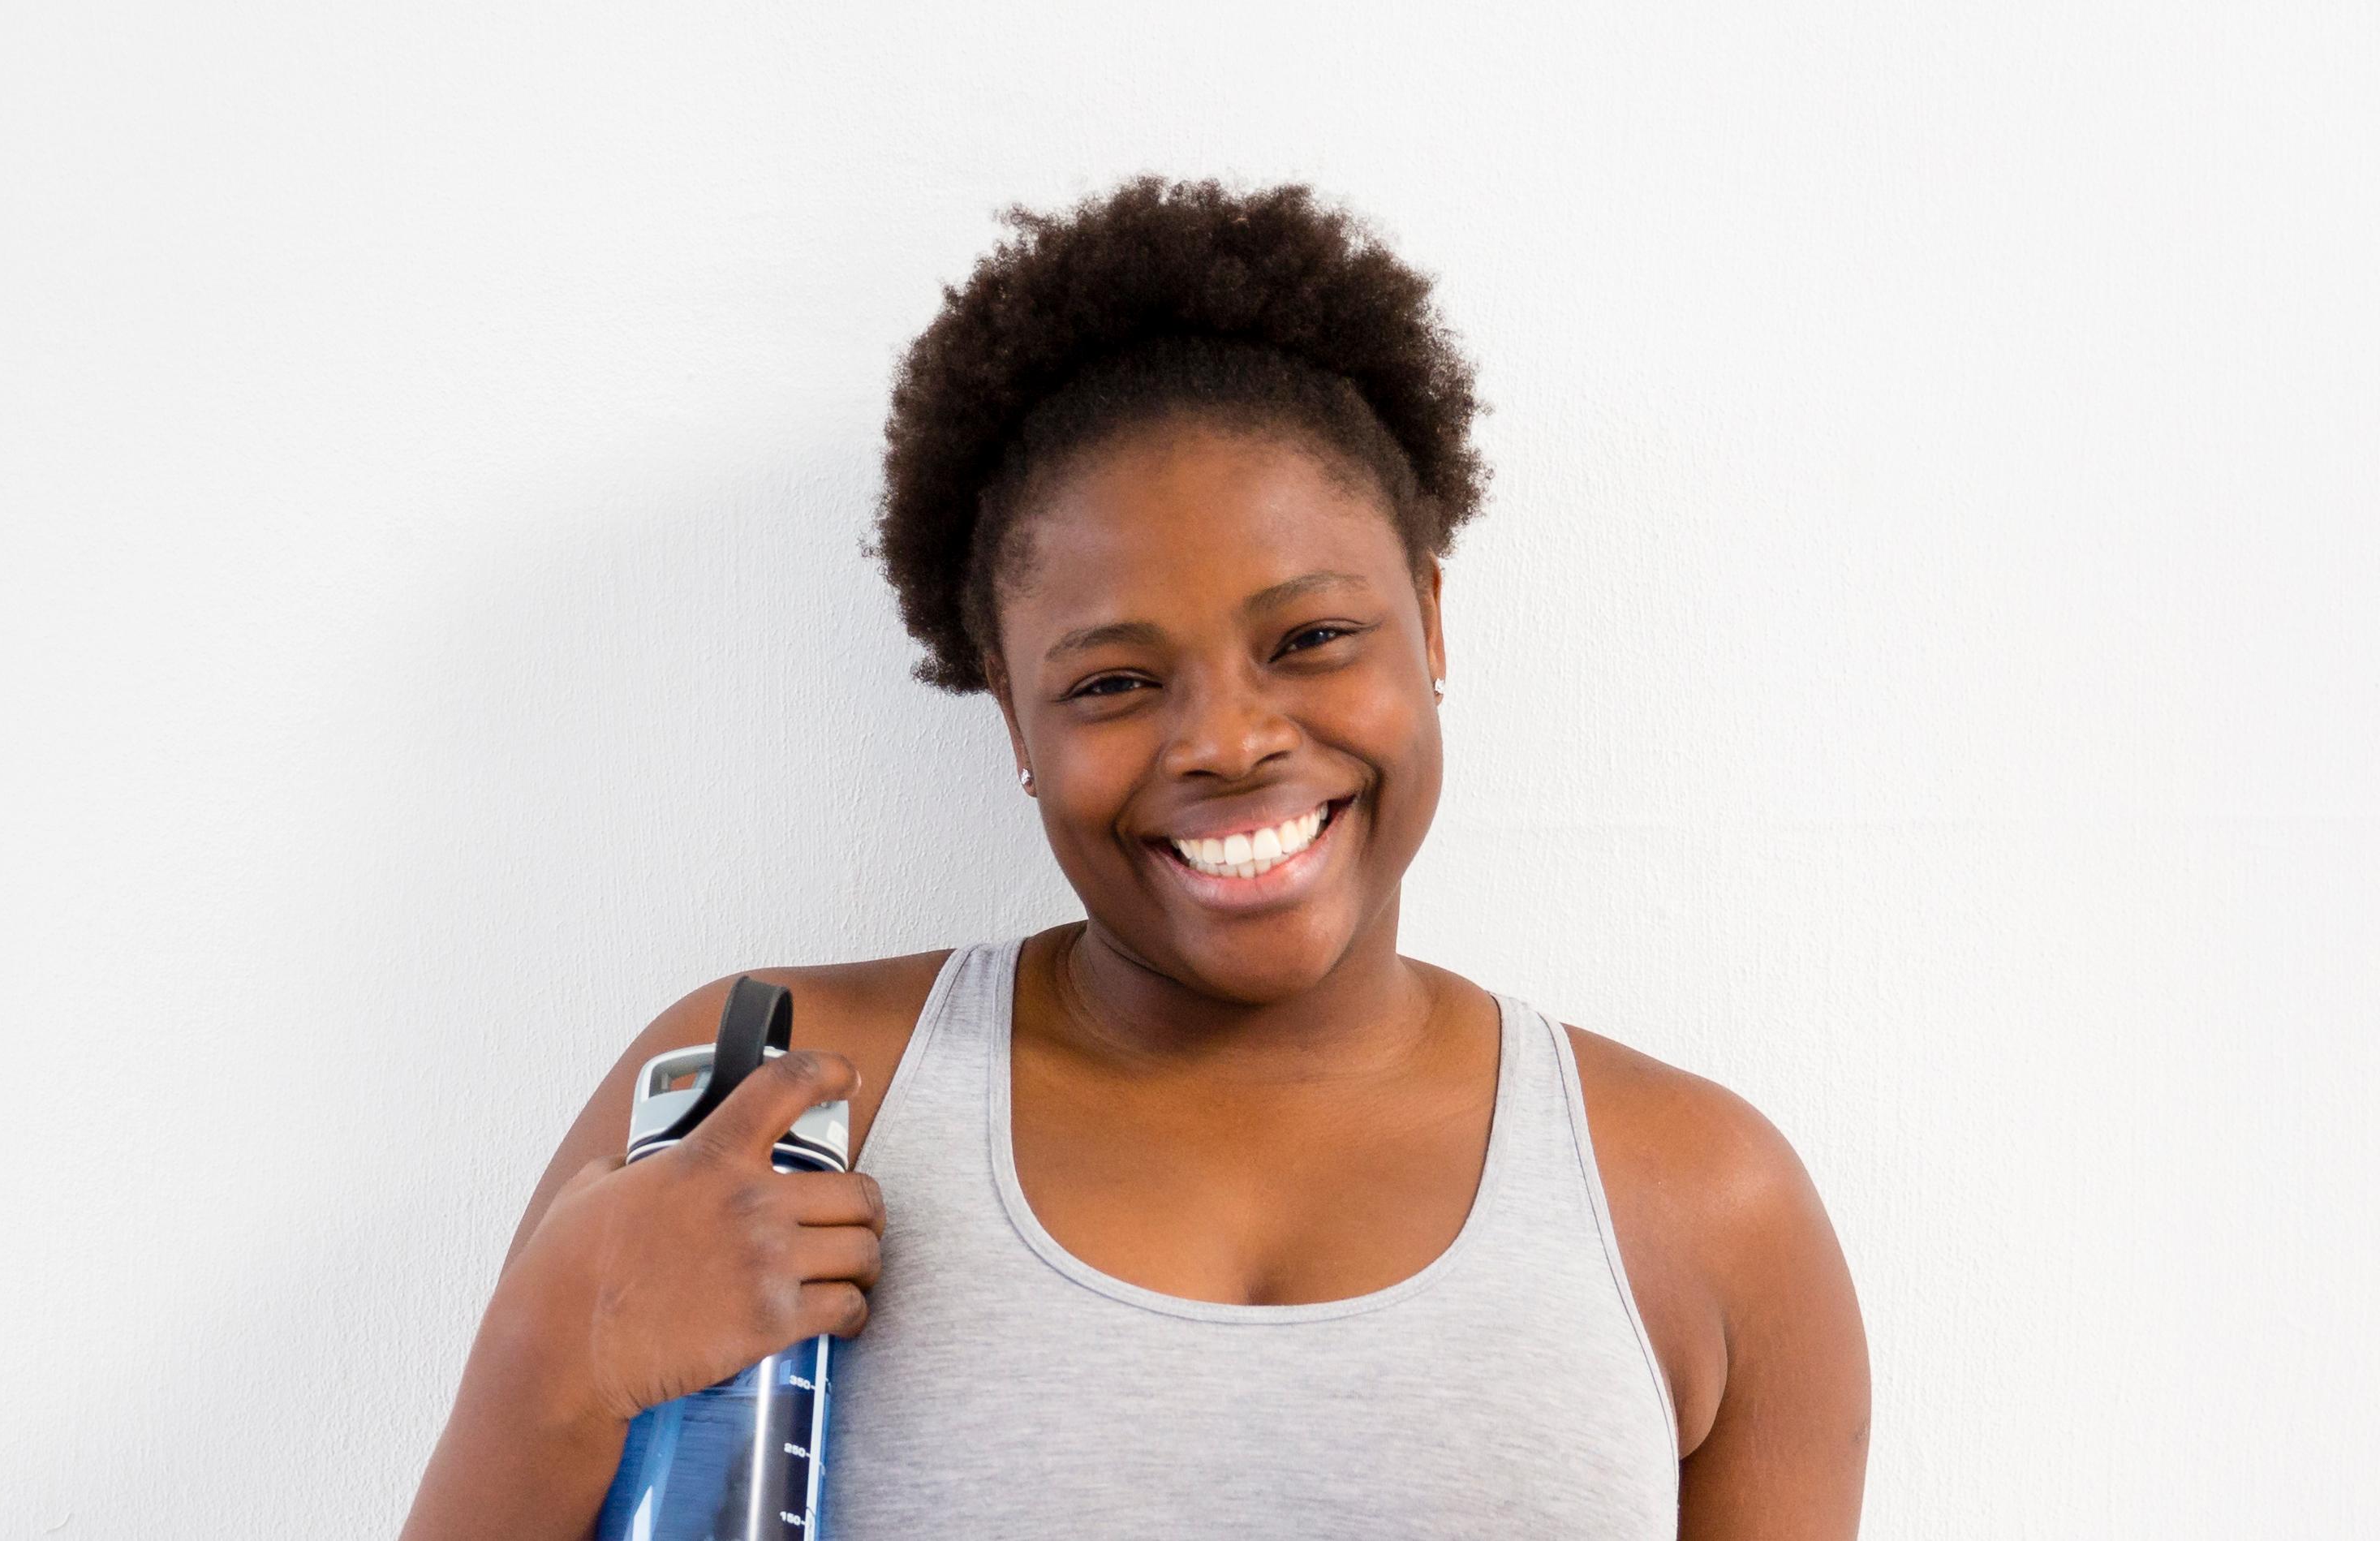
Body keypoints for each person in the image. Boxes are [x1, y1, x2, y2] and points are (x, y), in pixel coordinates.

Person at [401, 176, 1871, 1539]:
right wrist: (563, 1353)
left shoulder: (1701, 1203)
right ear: (1010, 708)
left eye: (1310, 640)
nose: (1227, 741)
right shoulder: (774, 1094)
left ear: (1430, 620)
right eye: (1113, 682)